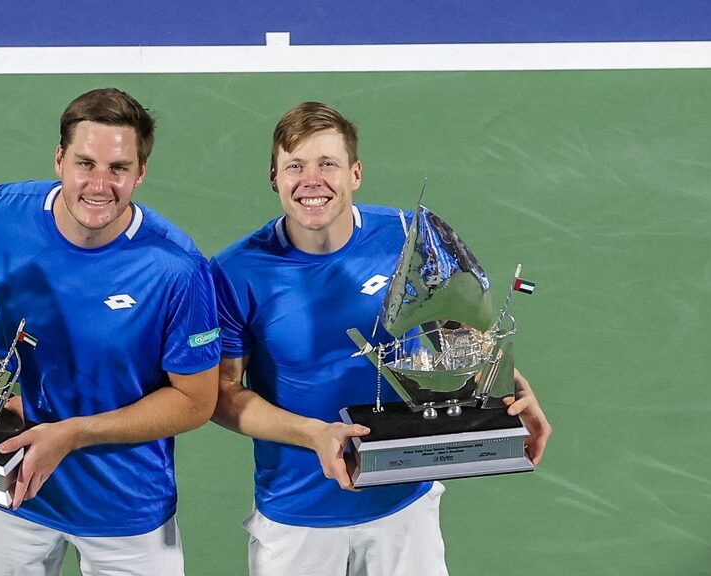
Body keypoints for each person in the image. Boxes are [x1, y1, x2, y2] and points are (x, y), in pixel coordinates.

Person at [0, 88, 221, 576]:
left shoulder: (179, 271)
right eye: (86, 163)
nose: (100, 185)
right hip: (6, 484)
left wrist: (74, 434)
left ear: (140, 173)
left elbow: (195, 401)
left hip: (125, 506)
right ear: (60, 159)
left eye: (119, 168)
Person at [209, 102, 552, 576]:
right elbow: (221, 394)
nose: (312, 180)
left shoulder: (404, 235)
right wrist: (314, 434)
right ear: (274, 177)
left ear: (355, 173)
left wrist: (509, 384)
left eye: (327, 164)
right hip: (298, 514)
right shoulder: (234, 272)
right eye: (295, 166)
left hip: (405, 502)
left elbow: (454, 331)